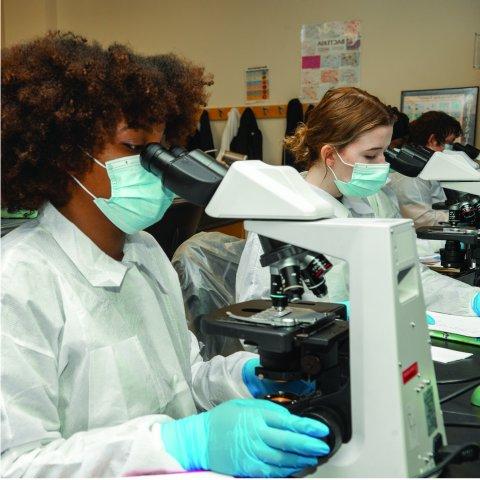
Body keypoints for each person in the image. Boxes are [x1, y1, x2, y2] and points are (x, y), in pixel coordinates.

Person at [1, 32, 330, 478]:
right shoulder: (17, 281)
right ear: (62, 154)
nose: (155, 169)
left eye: (163, 150)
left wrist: (250, 376)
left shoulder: (145, 250)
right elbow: (17, 464)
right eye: (135, 149)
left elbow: (183, 378)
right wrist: (179, 444)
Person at [236, 87, 480, 317]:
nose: (383, 164)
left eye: (384, 152)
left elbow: (405, 277)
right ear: (330, 155)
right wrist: (335, 317)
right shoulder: (278, 220)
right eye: (371, 155)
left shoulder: (375, 201)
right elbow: (258, 315)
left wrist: (468, 300)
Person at [389, 111, 463, 227]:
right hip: (422, 240)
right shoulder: (411, 168)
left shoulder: (428, 164)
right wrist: (462, 216)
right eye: (449, 143)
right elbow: (420, 218)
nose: (449, 150)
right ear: (433, 140)